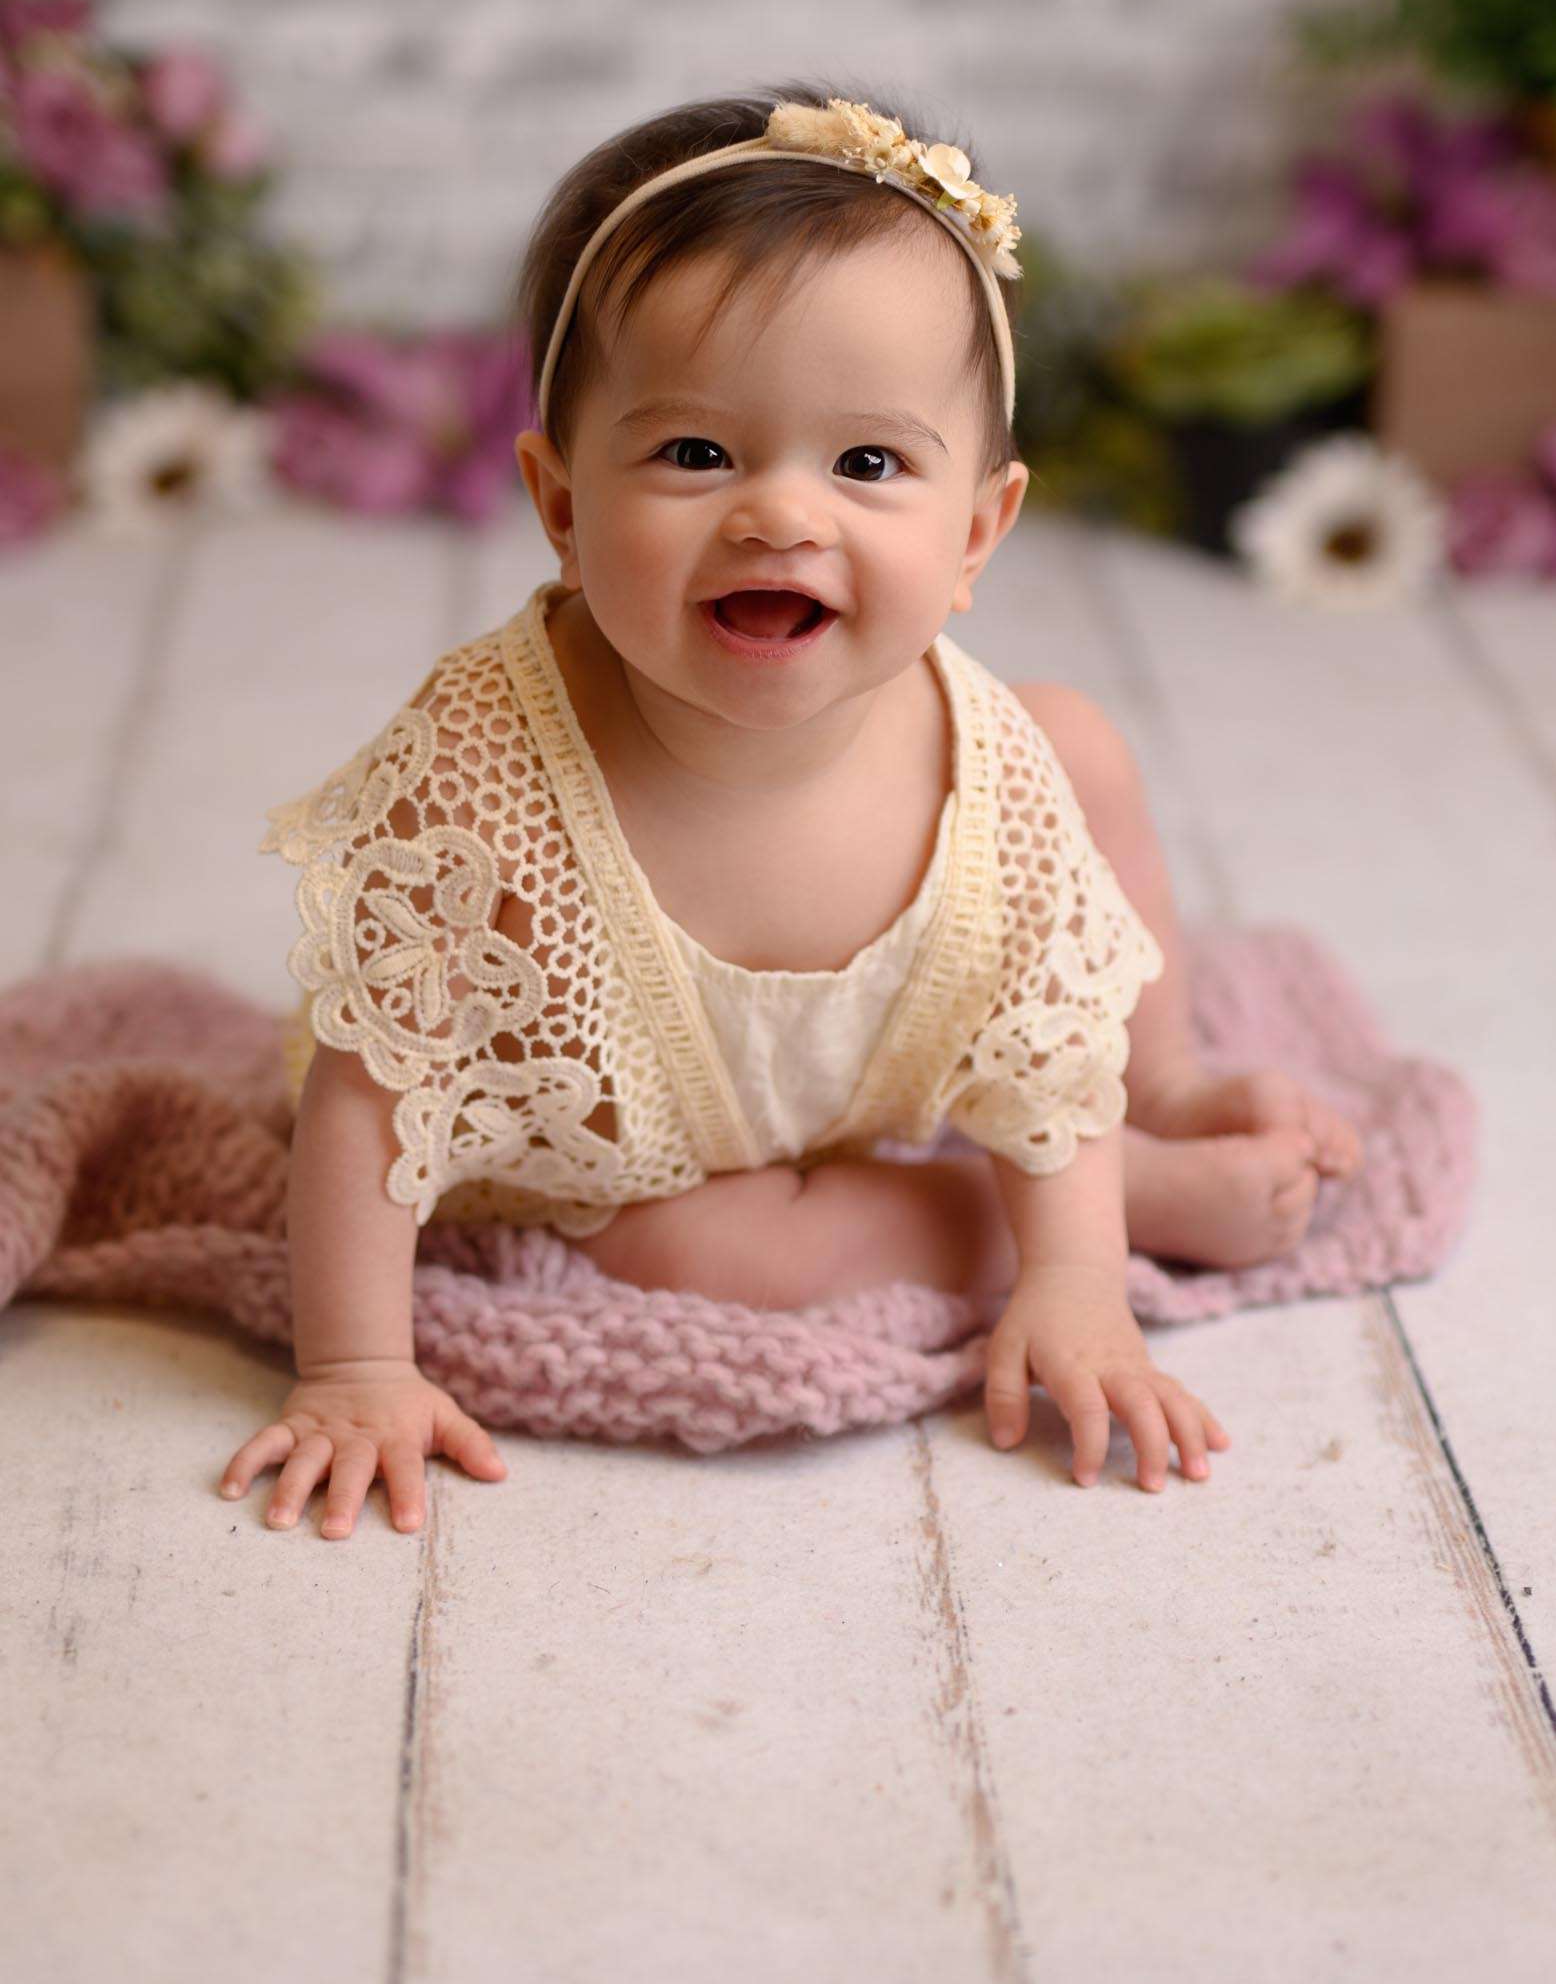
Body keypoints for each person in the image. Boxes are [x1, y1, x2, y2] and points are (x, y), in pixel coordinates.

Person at [220, 83, 1363, 1541]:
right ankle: (1140, 1196)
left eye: (867, 462)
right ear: (559, 503)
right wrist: (357, 1368)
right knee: (719, 1252)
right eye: (695, 453)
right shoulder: (482, 781)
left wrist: (1077, 1292)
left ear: (974, 532)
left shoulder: (986, 775)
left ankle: (1176, 1088)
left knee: (1087, 746)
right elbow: (367, 1090)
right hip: (618, 1146)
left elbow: (1045, 1037)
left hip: (879, 1071)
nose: (781, 514)